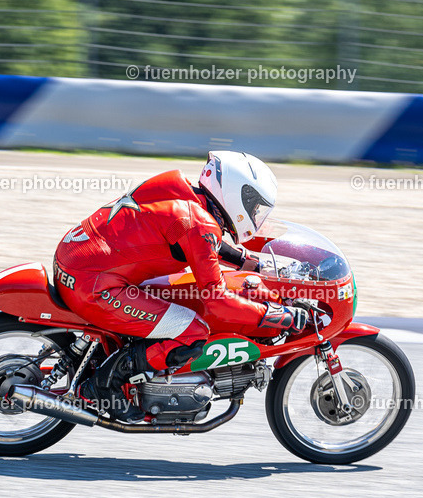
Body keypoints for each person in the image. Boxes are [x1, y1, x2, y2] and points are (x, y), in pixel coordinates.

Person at [53, 150, 308, 420]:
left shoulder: (178, 190)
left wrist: (252, 264)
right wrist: (276, 315)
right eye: (254, 207)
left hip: (73, 263)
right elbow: (217, 301)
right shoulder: (199, 224)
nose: (255, 214)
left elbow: (199, 241)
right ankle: (102, 387)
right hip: (93, 286)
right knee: (193, 331)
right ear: (238, 195)